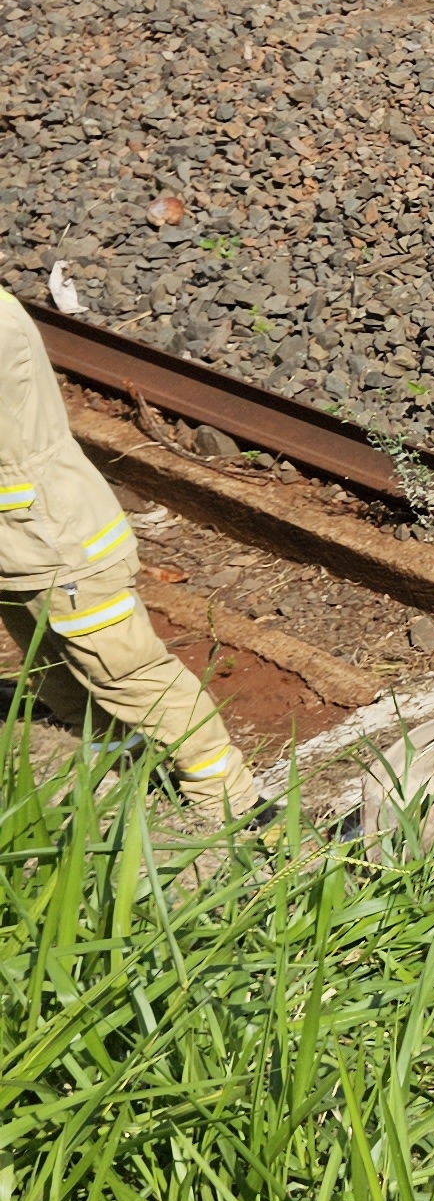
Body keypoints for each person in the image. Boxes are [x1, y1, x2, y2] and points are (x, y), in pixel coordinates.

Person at [3, 282, 254, 824]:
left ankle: (230, 804)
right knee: (52, 667)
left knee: (128, 674)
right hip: (19, 549)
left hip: (57, 543)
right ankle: (119, 763)